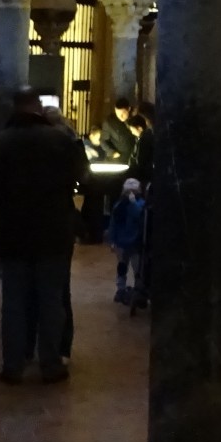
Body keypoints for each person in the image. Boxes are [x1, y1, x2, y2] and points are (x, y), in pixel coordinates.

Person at [0, 89, 87, 383]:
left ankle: (13, 364)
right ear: (38, 107)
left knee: (14, 301)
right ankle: (51, 362)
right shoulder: (58, 140)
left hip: (14, 231)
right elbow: (80, 174)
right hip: (52, 231)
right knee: (51, 300)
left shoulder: (1, 142)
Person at [107, 177, 147, 308]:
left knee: (137, 270)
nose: (130, 194)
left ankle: (138, 292)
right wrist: (112, 240)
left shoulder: (141, 204)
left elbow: (140, 217)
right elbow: (113, 223)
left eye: (133, 191)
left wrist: (133, 203)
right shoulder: (119, 206)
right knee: (121, 268)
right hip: (121, 243)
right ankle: (121, 290)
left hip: (135, 243)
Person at [95, 98, 139, 162]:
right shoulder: (110, 122)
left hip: (132, 158)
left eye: (123, 113)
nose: (120, 116)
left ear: (128, 109)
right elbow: (103, 140)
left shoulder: (135, 120)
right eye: (118, 113)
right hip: (117, 159)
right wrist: (112, 152)